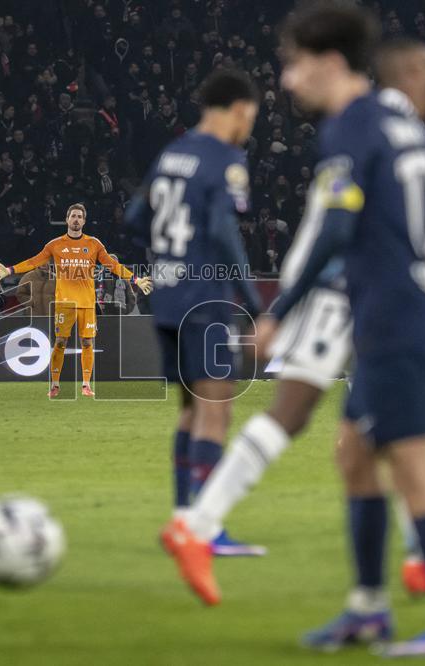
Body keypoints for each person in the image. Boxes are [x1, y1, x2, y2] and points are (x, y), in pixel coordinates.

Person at [162, 8, 425, 657]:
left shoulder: (351, 125)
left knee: (413, 465)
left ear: (330, 61)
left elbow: (338, 228)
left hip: (392, 314)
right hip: (413, 301)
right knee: (354, 453)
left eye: (292, 63)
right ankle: (368, 608)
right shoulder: (400, 118)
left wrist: (280, 309)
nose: (285, 80)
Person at [127, 69, 266, 558]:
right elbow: (225, 230)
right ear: (239, 109)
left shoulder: (172, 154)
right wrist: (252, 301)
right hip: (206, 298)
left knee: (189, 412)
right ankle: (205, 528)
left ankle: (183, 518)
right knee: (216, 411)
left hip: (165, 297)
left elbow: (133, 218)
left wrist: (169, 257)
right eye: (252, 115)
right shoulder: (225, 158)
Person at [0, 204, 153, 397]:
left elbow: (114, 266)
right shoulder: (55, 244)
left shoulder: (94, 244)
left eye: (79, 217)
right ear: (67, 219)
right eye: (73, 216)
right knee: (60, 342)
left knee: (87, 342)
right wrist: (9, 270)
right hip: (64, 303)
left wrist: (136, 279)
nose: (76, 219)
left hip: (86, 303)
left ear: (84, 221)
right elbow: (34, 261)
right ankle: (55, 385)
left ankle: (86, 385)